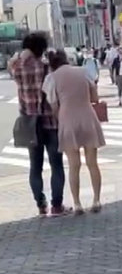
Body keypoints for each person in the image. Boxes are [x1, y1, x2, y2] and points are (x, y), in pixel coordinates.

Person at [10, 32, 67, 217]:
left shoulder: (18, 68)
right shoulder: (47, 68)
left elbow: (12, 62)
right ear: (42, 48)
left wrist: (22, 55)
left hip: (30, 124)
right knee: (56, 164)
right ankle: (57, 206)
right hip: (51, 122)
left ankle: (41, 204)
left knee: (35, 166)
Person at [44, 50, 105, 215]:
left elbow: (53, 105)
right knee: (92, 163)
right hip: (88, 117)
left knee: (74, 165)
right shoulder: (83, 72)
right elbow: (95, 98)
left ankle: (77, 204)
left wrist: (61, 115)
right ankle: (96, 200)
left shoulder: (51, 78)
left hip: (67, 120)